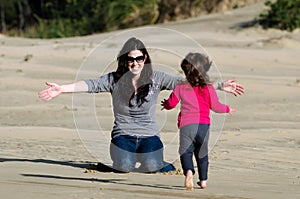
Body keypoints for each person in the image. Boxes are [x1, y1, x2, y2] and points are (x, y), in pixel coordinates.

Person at [39, 37, 244, 173]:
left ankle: (157, 162)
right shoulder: (114, 80)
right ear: (124, 60)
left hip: (150, 136)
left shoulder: (156, 77)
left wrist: (218, 86)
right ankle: (121, 160)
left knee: (154, 165)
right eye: (130, 59)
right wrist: (62, 89)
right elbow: (90, 84)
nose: (134, 63)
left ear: (144, 58)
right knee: (125, 167)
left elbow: (187, 84)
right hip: (122, 136)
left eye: (139, 58)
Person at [161, 52, 236, 189]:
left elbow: (172, 104)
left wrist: (165, 104)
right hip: (203, 126)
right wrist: (227, 109)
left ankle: (189, 172)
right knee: (202, 153)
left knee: (185, 151)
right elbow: (216, 106)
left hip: (186, 126)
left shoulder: (180, 86)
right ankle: (203, 181)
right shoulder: (208, 87)